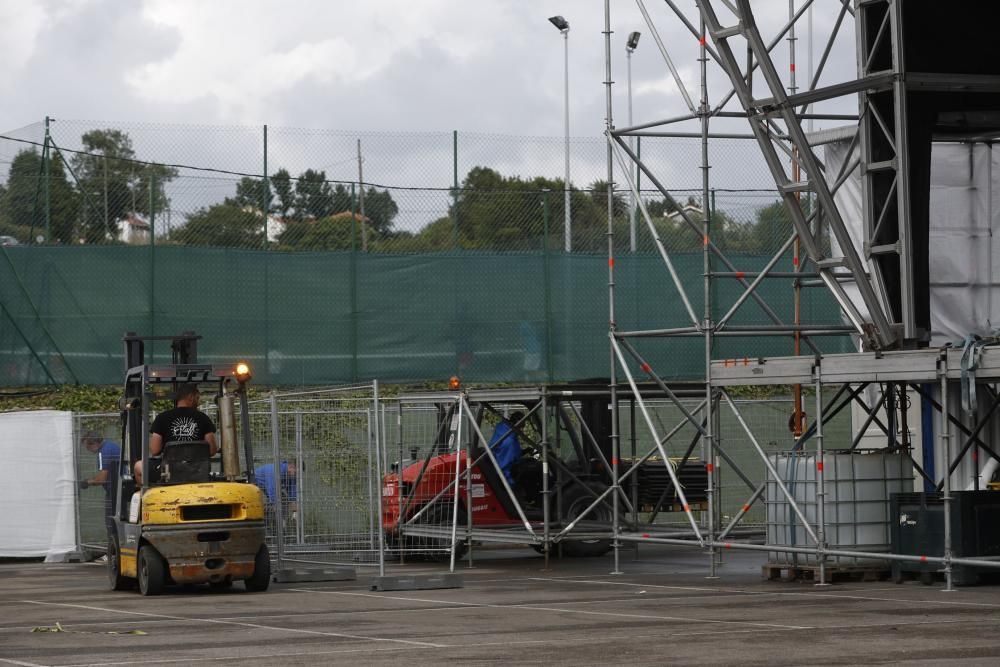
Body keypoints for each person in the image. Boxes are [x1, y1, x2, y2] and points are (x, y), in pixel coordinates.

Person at [134, 383, 217, 486]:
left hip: (169, 471)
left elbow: (155, 450)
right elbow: (212, 450)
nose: (198, 402)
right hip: (197, 470)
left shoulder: (162, 418)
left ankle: (146, 495)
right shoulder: (203, 418)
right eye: (197, 398)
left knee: (138, 466)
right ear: (191, 397)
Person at [80, 431, 121, 526]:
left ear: (94, 443)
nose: (88, 450)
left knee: (110, 522)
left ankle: (113, 539)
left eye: (88, 447)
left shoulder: (103, 452)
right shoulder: (110, 446)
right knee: (115, 520)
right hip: (119, 489)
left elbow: (102, 479)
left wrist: (87, 482)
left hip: (114, 492)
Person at [254, 461, 300, 529]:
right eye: (296, 472)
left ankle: (281, 526)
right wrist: (278, 512)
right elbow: (272, 491)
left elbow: (292, 490)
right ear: (291, 467)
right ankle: (271, 527)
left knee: (283, 500)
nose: (297, 475)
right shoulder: (275, 471)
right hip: (256, 483)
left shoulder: (291, 474)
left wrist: (294, 509)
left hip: (269, 486)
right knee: (272, 506)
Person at [488, 411, 524, 487]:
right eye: (521, 426)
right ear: (518, 423)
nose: (522, 430)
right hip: (504, 476)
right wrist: (511, 483)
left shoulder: (502, 429)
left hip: (496, 463)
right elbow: (507, 463)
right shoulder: (510, 441)